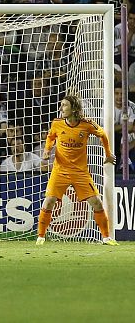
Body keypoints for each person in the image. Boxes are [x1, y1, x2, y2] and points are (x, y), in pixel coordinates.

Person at [36, 94, 117, 245]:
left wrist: (107, 154)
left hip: (80, 172)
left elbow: (103, 134)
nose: (61, 108)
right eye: (61, 105)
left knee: (97, 203)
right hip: (60, 170)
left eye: (64, 105)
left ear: (74, 108)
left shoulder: (87, 124)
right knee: (49, 202)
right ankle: (40, 236)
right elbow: (50, 137)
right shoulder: (57, 123)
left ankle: (106, 238)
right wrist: (47, 150)